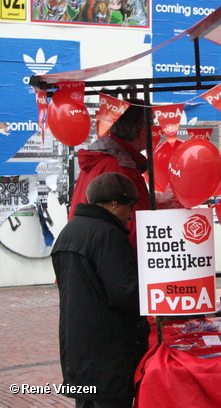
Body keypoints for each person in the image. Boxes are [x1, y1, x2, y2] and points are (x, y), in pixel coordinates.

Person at [52, 172, 149, 408]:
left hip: (77, 347)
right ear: (115, 203)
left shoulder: (70, 231)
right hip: (109, 352)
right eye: (130, 205)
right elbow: (124, 293)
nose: (131, 213)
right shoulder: (109, 234)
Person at [68, 98, 150, 248]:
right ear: (144, 132)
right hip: (113, 262)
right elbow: (135, 229)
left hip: (87, 254)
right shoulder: (121, 167)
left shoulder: (100, 158)